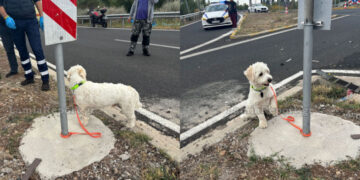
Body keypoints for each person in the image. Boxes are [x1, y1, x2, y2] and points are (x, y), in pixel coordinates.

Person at [0, 0, 50, 91]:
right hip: (14, 23)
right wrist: (6, 17)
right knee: (22, 51)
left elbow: (37, 1)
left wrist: (42, 15)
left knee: (37, 49)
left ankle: (45, 79)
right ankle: (29, 76)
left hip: (31, 21)